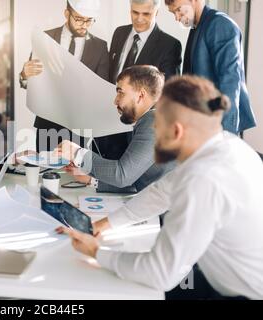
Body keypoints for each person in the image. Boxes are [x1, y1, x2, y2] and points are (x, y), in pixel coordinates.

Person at [59, 75, 263, 300]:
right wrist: (103, 224)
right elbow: (161, 192)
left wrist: (96, 252)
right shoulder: (225, 146)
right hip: (225, 280)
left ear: (176, 132)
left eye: (157, 126)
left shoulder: (204, 179)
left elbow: (159, 273)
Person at [55, 66, 174, 193]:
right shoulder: (151, 120)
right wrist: (90, 180)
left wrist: (77, 153)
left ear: (140, 95)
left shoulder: (154, 121)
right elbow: (134, 182)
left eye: (120, 92)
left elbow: (122, 175)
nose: (115, 101)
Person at [19, 0, 109, 153]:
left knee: (77, 172)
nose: (84, 25)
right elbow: (32, 81)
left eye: (89, 20)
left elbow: (101, 86)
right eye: (79, 19)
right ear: (67, 13)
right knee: (46, 169)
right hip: (48, 121)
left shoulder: (100, 46)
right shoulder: (45, 38)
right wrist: (24, 75)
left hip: (81, 124)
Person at [101, 0, 182, 160]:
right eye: (134, 13)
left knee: (127, 178)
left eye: (146, 14)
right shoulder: (119, 33)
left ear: (156, 13)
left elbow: (166, 93)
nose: (139, 19)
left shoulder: (170, 45)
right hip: (108, 125)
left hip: (138, 131)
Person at [165, 0, 256, 134]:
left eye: (179, 10)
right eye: (173, 13)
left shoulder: (220, 24)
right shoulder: (197, 27)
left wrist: (225, 132)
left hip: (219, 125)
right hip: (203, 122)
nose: (177, 18)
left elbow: (230, 81)